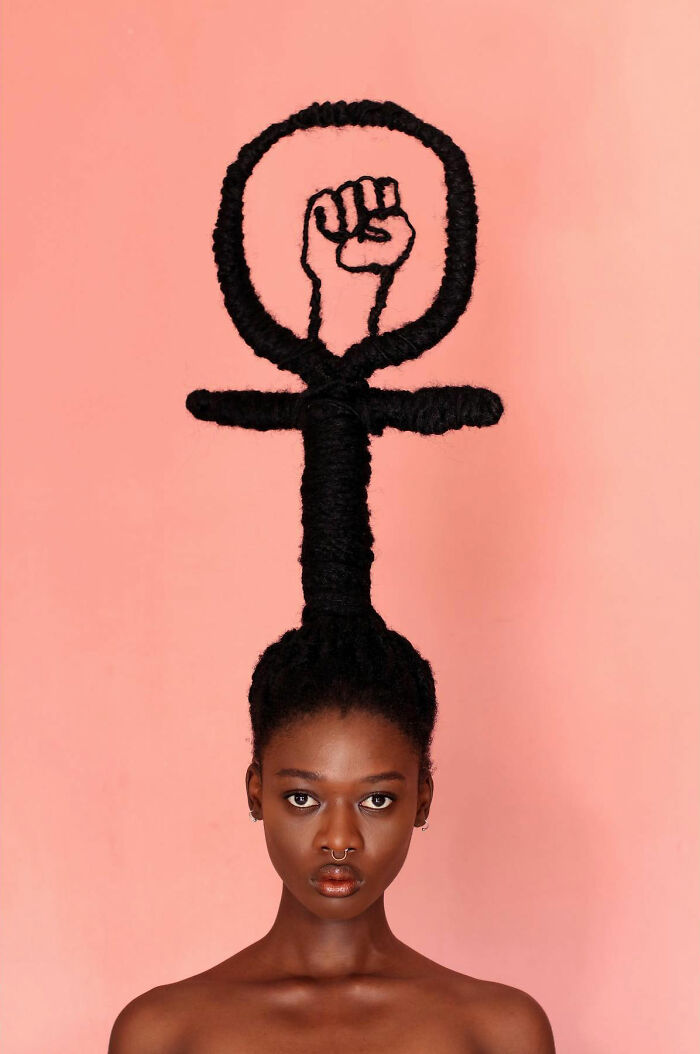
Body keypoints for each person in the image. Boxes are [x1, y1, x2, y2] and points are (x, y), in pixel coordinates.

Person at [109, 101, 556, 1052]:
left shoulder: (499, 1032)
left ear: (427, 794)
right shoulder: (165, 1033)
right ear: (254, 788)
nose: (340, 841)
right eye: (304, 796)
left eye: (379, 798)